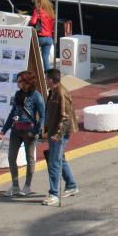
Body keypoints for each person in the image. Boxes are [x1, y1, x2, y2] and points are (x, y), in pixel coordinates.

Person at [1, 71, 45, 197]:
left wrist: (35, 131)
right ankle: (15, 185)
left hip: (29, 131)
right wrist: (4, 130)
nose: (17, 83)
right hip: (16, 130)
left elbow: (42, 116)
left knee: (30, 158)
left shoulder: (36, 96)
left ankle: (27, 186)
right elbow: (13, 113)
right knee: (11, 157)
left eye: (19, 81)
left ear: (27, 82)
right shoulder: (17, 94)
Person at [42, 68, 78, 206]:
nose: (45, 80)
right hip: (53, 131)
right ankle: (71, 185)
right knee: (59, 159)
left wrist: (58, 135)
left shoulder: (61, 94)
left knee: (54, 162)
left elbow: (65, 117)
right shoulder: (53, 92)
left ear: (51, 80)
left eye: (46, 78)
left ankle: (54, 194)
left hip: (59, 133)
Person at [30, 0, 55, 71]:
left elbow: (33, 22)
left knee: (31, 54)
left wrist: (31, 20)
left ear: (37, 2)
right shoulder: (50, 12)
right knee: (45, 57)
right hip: (49, 38)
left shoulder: (37, 11)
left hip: (41, 37)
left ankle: (33, 72)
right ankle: (48, 75)